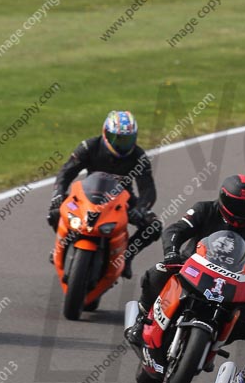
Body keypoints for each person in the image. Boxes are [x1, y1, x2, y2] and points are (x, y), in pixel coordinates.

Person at [125, 174, 245, 378]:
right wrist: (171, 253)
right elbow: (176, 230)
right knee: (156, 273)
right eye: (237, 205)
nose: (242, 212)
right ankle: (142, 321)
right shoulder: (205, 209)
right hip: (191, 266)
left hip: (230, 280)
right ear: (224, 198)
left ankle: (211, 346)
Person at [47, 110, 161, 278]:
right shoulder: (89, 146)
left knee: (153, 226)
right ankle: (61, 246)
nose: (121, 144)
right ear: (105, 133)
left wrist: (141, 208)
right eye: (117, 138)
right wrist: (58, 193)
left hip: (122, 201)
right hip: (88, 195)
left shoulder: (139, 156)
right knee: (55, 211)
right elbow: (66, 172)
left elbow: (148, 189)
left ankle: (126, 257)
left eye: (126, 140)